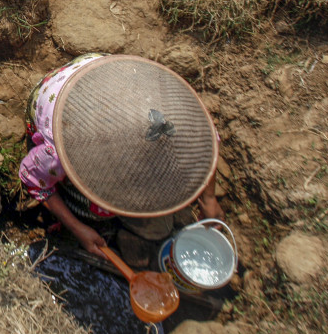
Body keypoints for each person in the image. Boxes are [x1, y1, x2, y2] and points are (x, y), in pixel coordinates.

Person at [19, 53, 224, 267]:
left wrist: (209, 198)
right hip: (52, 95)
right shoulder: (62, 149)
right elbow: (32, 178)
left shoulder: (179, 116)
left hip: (105, 70)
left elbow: (208, 141)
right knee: (96, 210)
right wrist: (77, 228)